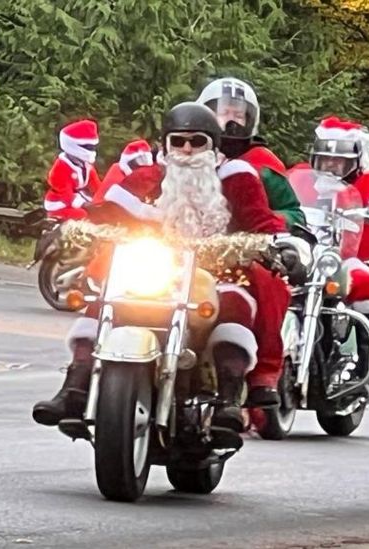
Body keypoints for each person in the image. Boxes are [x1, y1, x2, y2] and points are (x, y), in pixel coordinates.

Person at [33, 102, 295, 432]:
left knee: (236, 303)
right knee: (104, 301)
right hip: (154, 266)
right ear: (165, 144)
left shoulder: (237, 178)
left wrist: (283, 245)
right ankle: (74, 388)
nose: (187, 149)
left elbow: (263, 223)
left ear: (213, 145)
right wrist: (69, 228)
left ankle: (228, 401)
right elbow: (104, 211)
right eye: (178, 141)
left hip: (218, 271)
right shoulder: (147, 177)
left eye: (197, 141)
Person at [307, 116, 369, 383]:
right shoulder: (302, 180)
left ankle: (368, 365)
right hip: (306, 255)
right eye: (325, 159)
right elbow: (285, 199)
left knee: (365, 282)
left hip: (343, 257)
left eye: (338, 160)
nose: (331, 165)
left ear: (354, 162)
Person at [197, 77, 305, 229]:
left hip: (248, 245)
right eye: (224, 113)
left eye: (238, 115)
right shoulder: (186, 150)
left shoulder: (263, 162)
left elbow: (294, 213)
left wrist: (265, 219)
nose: (231, 122)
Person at [44, 119, 100, 220]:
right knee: (82, 215)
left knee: (99, 213)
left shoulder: (87, 166)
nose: (91, 151)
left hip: (79, 197)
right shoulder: (60, 168)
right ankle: (54, 217)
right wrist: (84, 204)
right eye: (87, 147)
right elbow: (66, 194)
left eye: (92, 147)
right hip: (60, 202)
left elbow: (96, 185)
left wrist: (103, 199)